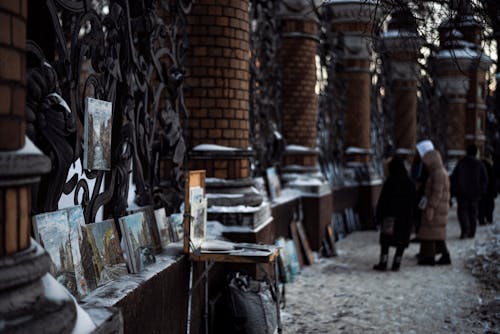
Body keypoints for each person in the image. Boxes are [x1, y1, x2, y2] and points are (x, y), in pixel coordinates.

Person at [373, 156, 416, 271]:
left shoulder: (390, 182)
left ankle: (383, 262)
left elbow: (383, 201)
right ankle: (397, 262)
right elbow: (413, 202)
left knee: (386, 240)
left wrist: (378, 217)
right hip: (405, 218)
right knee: (401, 241)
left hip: (390, 217)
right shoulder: (410, 183)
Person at [417, 148, 451, 265]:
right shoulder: (439, 172)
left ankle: (429, 257)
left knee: (430, 233)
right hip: (439, 208)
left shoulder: (438, 173)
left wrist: (431, 207)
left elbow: (437, 192)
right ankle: (442, 255)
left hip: (436, 209)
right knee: (436, 233)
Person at [450, 145, 488, 238]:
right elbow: (485, 179)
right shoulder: (479, 164)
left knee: (462, 212)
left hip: (462, 193)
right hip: (475, 193)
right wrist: (481, 190)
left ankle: (465, 230)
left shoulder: (461, 163)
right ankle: (472, 232)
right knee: (473, 212)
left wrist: (455, 190)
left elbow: (454, 178)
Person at [479, 151, 497, 225]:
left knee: (481, 205)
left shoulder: (480, 164)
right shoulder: (490, 166)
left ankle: (482, 219)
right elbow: (493, 179)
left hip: (482, 189)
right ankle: (489, 218)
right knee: (490, 205)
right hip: (489, 189)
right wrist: (495, 190)